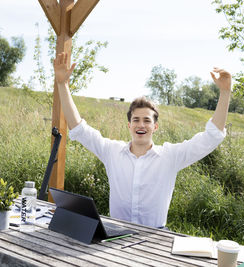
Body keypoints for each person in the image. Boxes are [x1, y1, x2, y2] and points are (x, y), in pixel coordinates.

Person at [54, 52, 231, 228]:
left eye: (147, 120)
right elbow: (79, 128)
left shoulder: (170, 156)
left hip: (156, 237)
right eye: (136, 120)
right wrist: (62, 85)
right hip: (116, 235)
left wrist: (225, 92)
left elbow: (211, 137)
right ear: (129, 126)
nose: (141, 125)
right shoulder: (111, 151)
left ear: (155, 127)